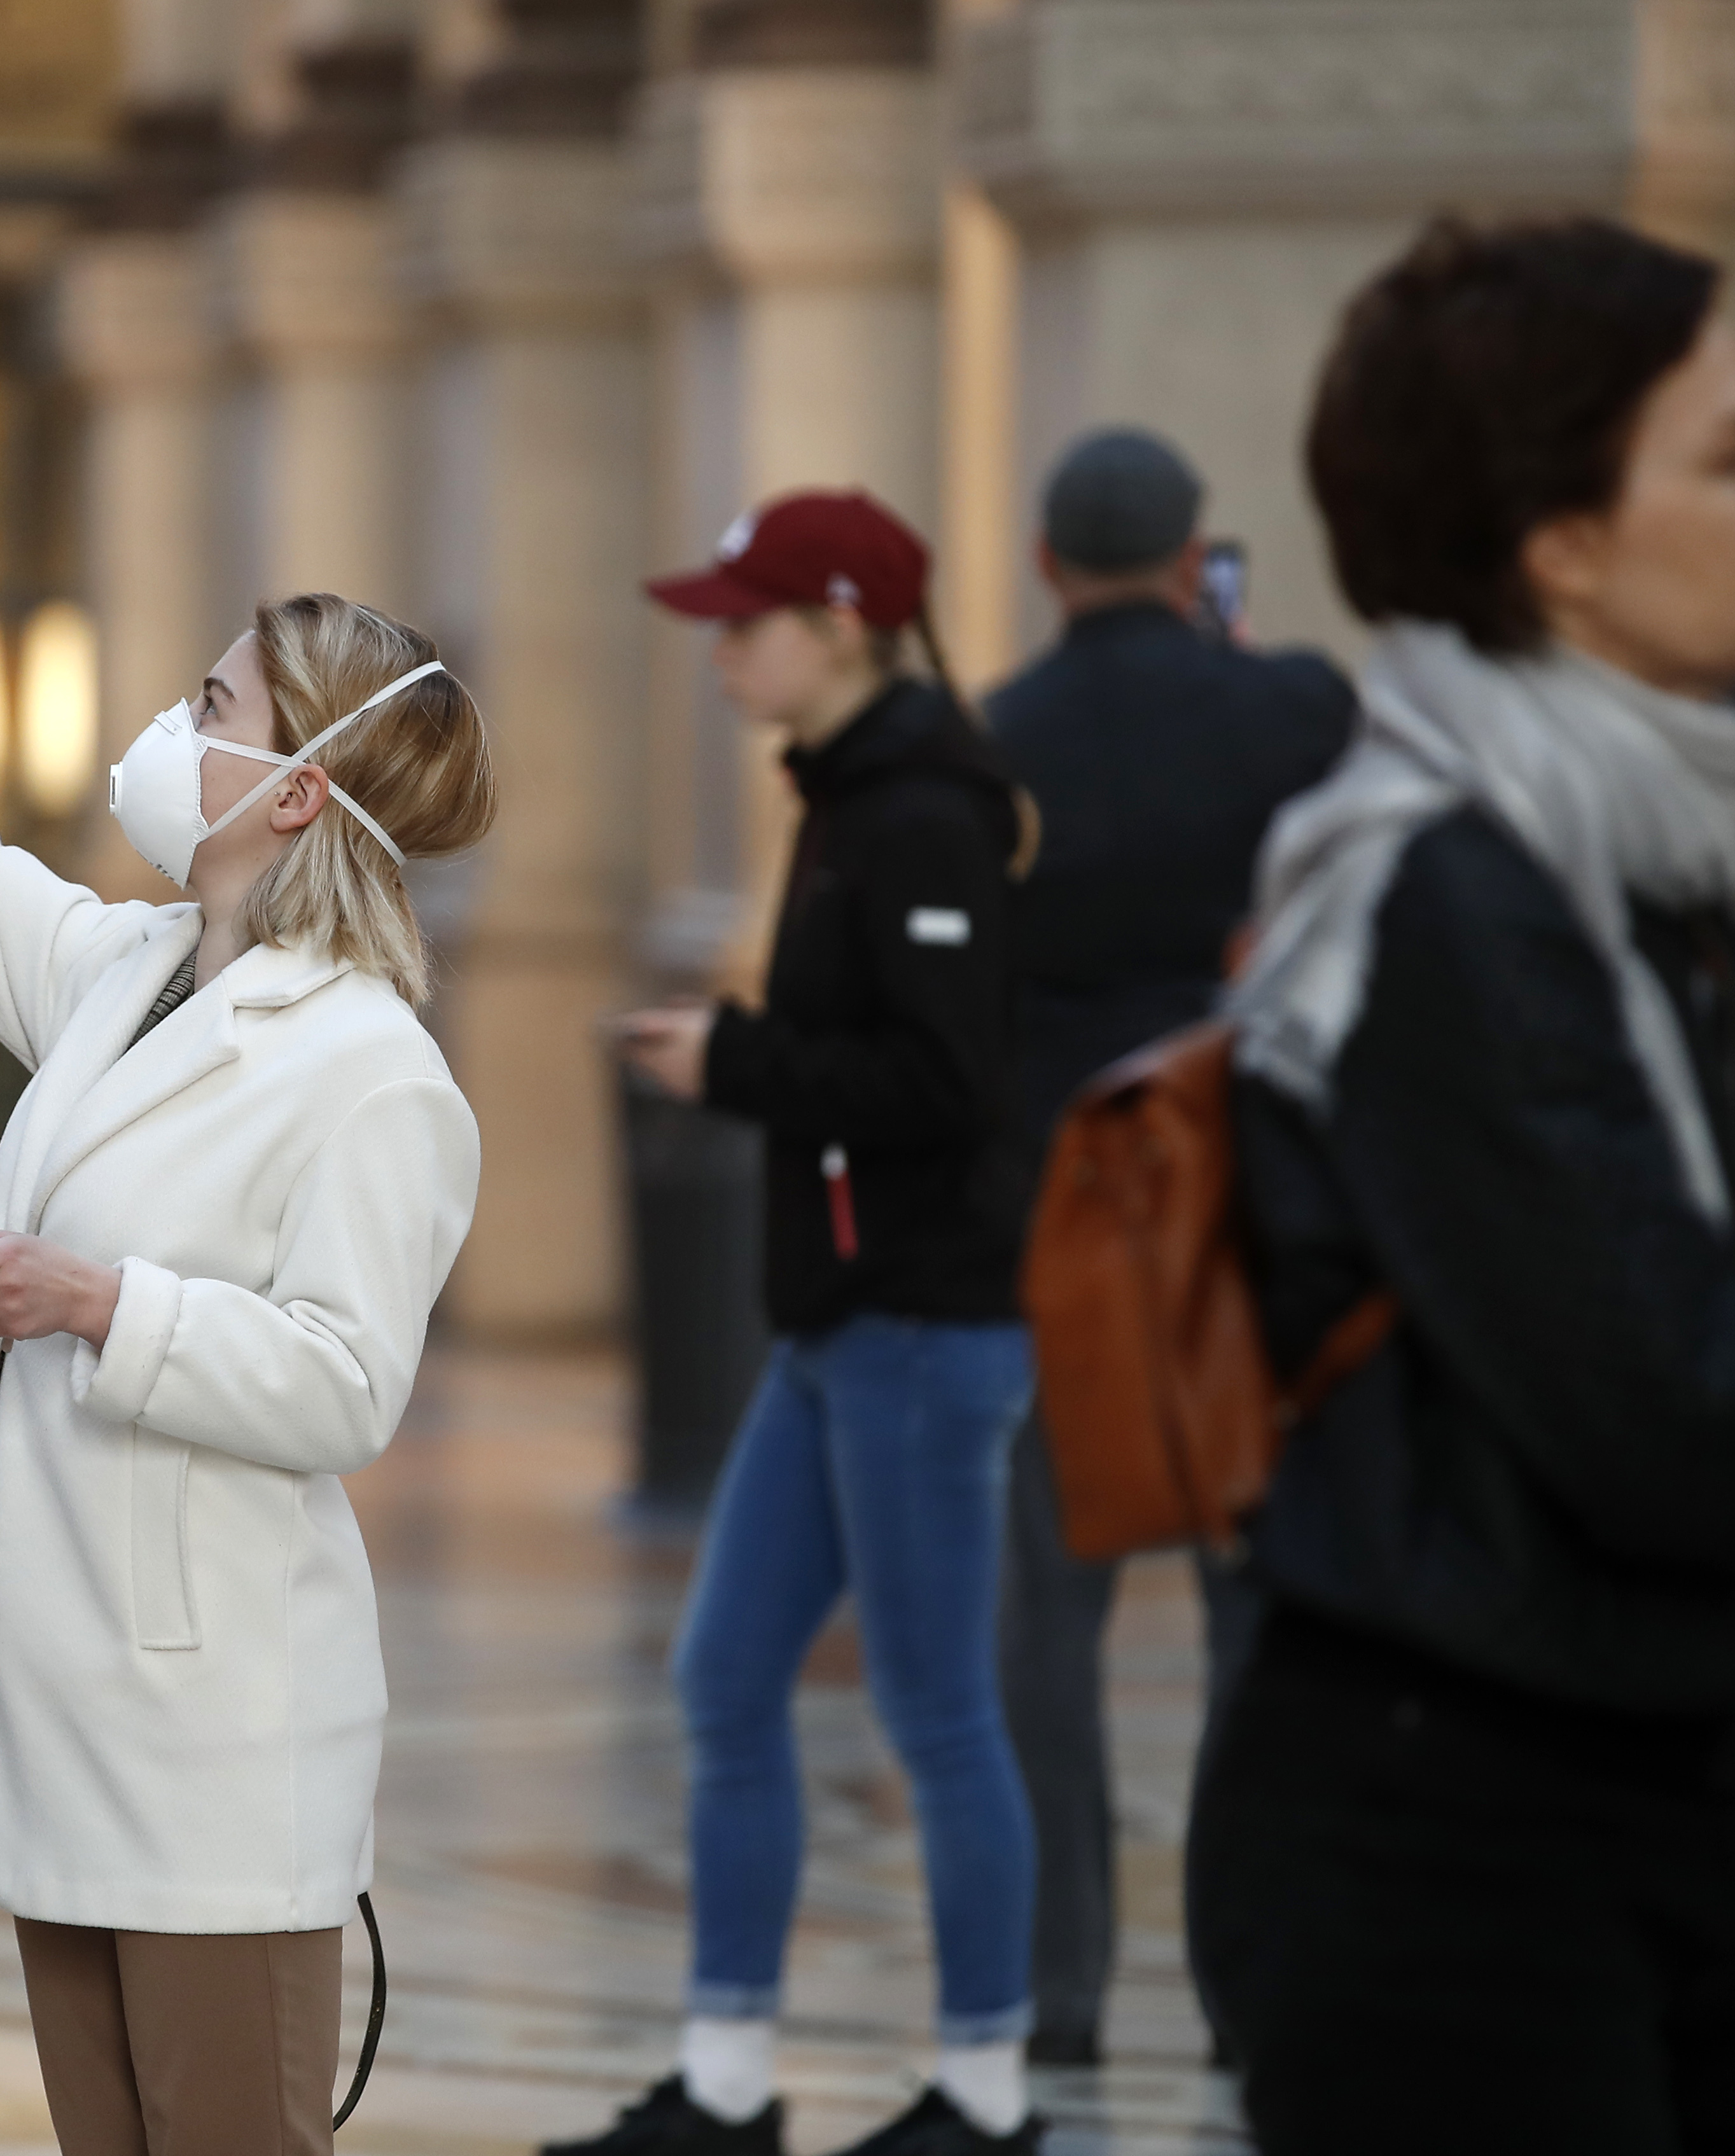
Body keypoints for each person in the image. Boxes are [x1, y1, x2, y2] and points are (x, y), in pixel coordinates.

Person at [0, 381, 495, 2155]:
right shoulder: (130, 970)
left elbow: (344, 1381)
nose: (175, 720)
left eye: (214, 705)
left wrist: (96, 1301)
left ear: (297, 787)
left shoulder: (375, 1069)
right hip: (70, 1709)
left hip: (220, 1736)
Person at [1194, 216, 1735, 2152]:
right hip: (1441, 1863)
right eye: (1726, 458)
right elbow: (1684, 1436)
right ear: (1556, 544)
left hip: (1674, 1807)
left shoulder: (1710, 864)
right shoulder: (1446, 899)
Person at [576, 493, 1042, 2156]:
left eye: (745, 620)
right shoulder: (847, 800)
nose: (720, 653)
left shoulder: (921, 816)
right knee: (722, 1676)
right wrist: (747, 1046)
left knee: (935, 1713)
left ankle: (985, 2094)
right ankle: (724, 2082)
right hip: (841, 1324)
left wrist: (735, 1063)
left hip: (920, 1328)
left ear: (842, 625)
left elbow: (946, 1081)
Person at [982, 429, 1353, 2066]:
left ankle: (1061, 1993)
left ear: (1049, 565)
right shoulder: (1291, 708)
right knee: (1251, 1624)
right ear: (1198, 553)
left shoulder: (995, 740)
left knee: (1044, 1633)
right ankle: (1244, 1986)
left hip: (1060, 1219)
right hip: (1248, 1210)